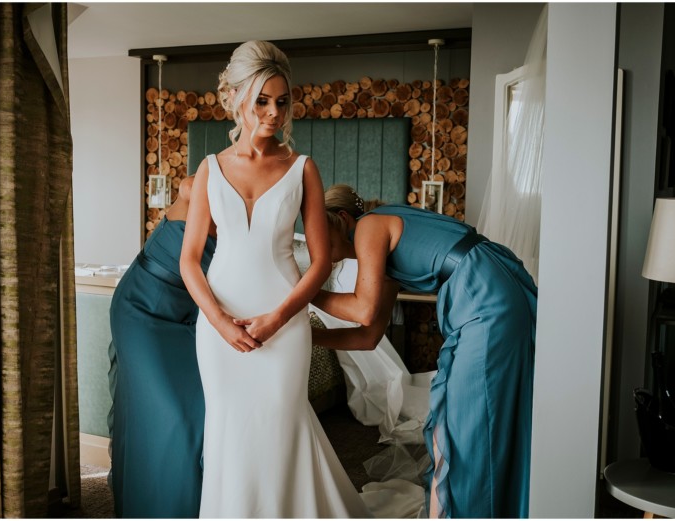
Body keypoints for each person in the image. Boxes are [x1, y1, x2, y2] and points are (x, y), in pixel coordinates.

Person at [180, 40, 370, 518]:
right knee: (227, 431)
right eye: (262, 100)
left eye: (282, 101)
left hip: (283, 327)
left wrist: (278, 319)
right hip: (220, 331)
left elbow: (321, 261)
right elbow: (190, 261)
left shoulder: (302, 169)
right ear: (237, 98)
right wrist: (221, 323)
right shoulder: (209, 170)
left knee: (280, 428)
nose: (274, 112)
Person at [311, 184, 537, 519]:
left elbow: (363, 309)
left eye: (318, 229)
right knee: (458, 425)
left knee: (470, 424)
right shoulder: (379, 253)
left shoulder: (370, 226)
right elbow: (369, 335)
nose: (315, 242)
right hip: (486, 287)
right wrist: (310, 336)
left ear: (342, 218)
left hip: (486, 296)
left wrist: (301, 294)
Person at [107, 176, 216, 518]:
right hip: (140, 310)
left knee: (198, 416)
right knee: (176, 417)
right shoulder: (212, 176)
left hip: (183, 318)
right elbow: (187, 187)